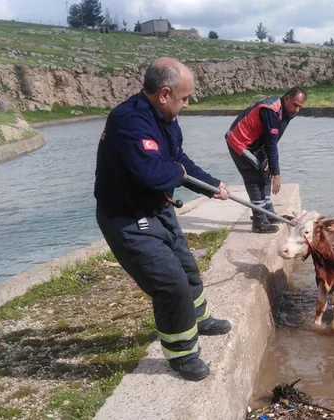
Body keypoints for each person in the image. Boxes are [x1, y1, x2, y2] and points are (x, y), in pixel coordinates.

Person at [94, 57, 233, 382]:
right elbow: (153, 173)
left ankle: (199, 319)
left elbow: (177, 160)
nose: (187, 104)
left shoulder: (166, 119)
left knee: (187, 268)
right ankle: (182, 354)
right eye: (185, 98)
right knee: (171, 286)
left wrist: (211, 185)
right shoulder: (129, 121)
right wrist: (180, 173)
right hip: (127, 218)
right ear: (165, 93)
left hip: (157, 209)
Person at [225, 87, 307, 233]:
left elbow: (273, 139)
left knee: (266, 172)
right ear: (287, 98)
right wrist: (277, 174)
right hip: (240, 142)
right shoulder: (271, 110)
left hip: (256, 144)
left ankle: (268, 214)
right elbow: (271, 143)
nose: (297, 110)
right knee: (254, 178)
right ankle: (259, 222)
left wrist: (271, 164)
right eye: (295, 105)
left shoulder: (287, 111)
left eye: (300, 106)